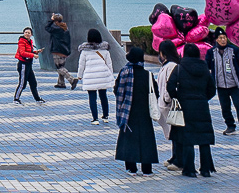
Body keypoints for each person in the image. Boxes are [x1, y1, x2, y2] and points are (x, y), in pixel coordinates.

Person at [167, 43, 217, 178]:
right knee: (204, 138)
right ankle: (206, 169)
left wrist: (177, 97)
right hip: (201, 106)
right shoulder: (204, 67)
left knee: (187, 138)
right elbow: (212, 89)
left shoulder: (179, 68)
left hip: (185, 106)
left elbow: (170, 86)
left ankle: (189, 169)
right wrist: (203, 98)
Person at [114, 47, 159, 176]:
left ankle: (131, 168)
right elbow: (155, 92)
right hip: (145, 112)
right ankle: (147, 169)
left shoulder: (124, 73)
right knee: (146, 139)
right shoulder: (148, 75)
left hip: (128, 112)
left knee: (129, 138)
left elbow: (117, 91)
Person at [204, 27, 239, 136]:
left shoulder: (234, 50)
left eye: (224, 38)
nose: (223, 40)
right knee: (225, 107)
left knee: (238, 105)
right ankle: (230, 126)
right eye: (221, 38)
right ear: (216, 40)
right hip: (221, 86)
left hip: (234, 85)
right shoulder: (211, 52)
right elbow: (207, 65)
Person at [77, 29, 113, 125]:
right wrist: (111, 75)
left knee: (92, 97)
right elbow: (109, 64)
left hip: (90, 76)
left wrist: (79, 76)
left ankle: (95, 118)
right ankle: (106, 116)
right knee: (103, 96)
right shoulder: (105, 50)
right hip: (102, 75)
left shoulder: (84, 51)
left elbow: (81, 65)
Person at [156, 39, 182, 170]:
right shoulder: (167, 65)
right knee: (171, 132)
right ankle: (174, 156)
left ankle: (178, 158)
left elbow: (169, 84)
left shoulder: (172, 66)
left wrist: (166, 99)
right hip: (164, 103)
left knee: (175, 131)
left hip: (169, 104)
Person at [14, 27, 45, 105]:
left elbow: (29, 51)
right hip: (23, 64)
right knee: (22, 83)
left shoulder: (29, 42)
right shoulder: (21, 41)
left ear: (31, 35)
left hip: (29, 65)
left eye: (29, 33)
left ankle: (37, 98)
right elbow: (22, 53)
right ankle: (16, 99)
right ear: (23, 33)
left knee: (33, 82)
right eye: (26, 32)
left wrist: (36, 52)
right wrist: (33, 55)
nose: (27, 34)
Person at [45, 13, 77, 89]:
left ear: (56, 21)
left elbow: (47, 28)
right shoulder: (65, 28)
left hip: (57, 50)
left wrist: (51, 20)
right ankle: (61, 83)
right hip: (64, 50)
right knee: (62, 66)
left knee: (59, 67)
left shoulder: (57, 29)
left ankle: (72, 80)